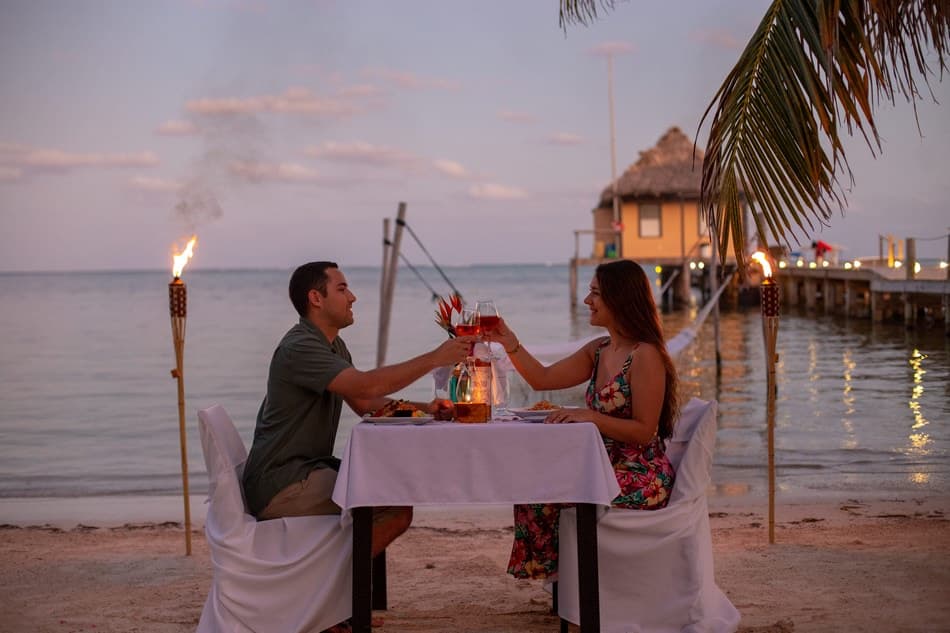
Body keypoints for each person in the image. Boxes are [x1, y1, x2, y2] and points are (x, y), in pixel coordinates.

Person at [241, 262, 473, 611]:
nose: (353, 297)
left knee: (388, 491)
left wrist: (426, 407)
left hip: (304, 471)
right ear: (315, 298)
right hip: (283, 483)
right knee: (392, 506)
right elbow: (368, 384)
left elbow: (365, 402)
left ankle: (332, 596)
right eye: (342, 289)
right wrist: (434, 359)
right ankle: (322, 601)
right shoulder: (300, 348)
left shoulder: (332, 346)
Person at [490, 259, 679, 580]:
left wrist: (589, 418)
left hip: (641, 475)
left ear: (619, 299)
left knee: (550, 492)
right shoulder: (599, 350)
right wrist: (510, 342)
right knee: (532, 485)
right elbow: (542, 378)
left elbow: (645, 432)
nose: (586, 301)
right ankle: (561, 580)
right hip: (600, 467)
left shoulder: (645, 355)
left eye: (595, 294)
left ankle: (570, 581)